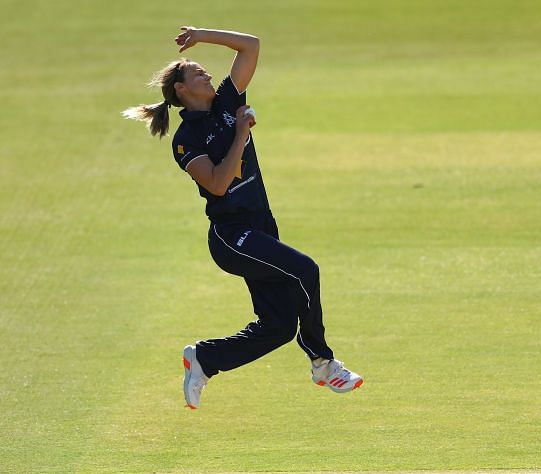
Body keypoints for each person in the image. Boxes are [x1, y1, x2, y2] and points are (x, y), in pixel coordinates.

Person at [123, 26, 363, 409]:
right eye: (196, 73)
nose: (206, 74)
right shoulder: (186, 138)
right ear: (182, 91)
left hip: (261, 228)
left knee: (279, 327)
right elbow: (218, 184)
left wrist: (201, 35)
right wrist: (240, 134)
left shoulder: (225, 101)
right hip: (231, 237)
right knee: (306, 270)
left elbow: (251, 45)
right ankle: (322, 361)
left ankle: (206, 358)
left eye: (204, 70)